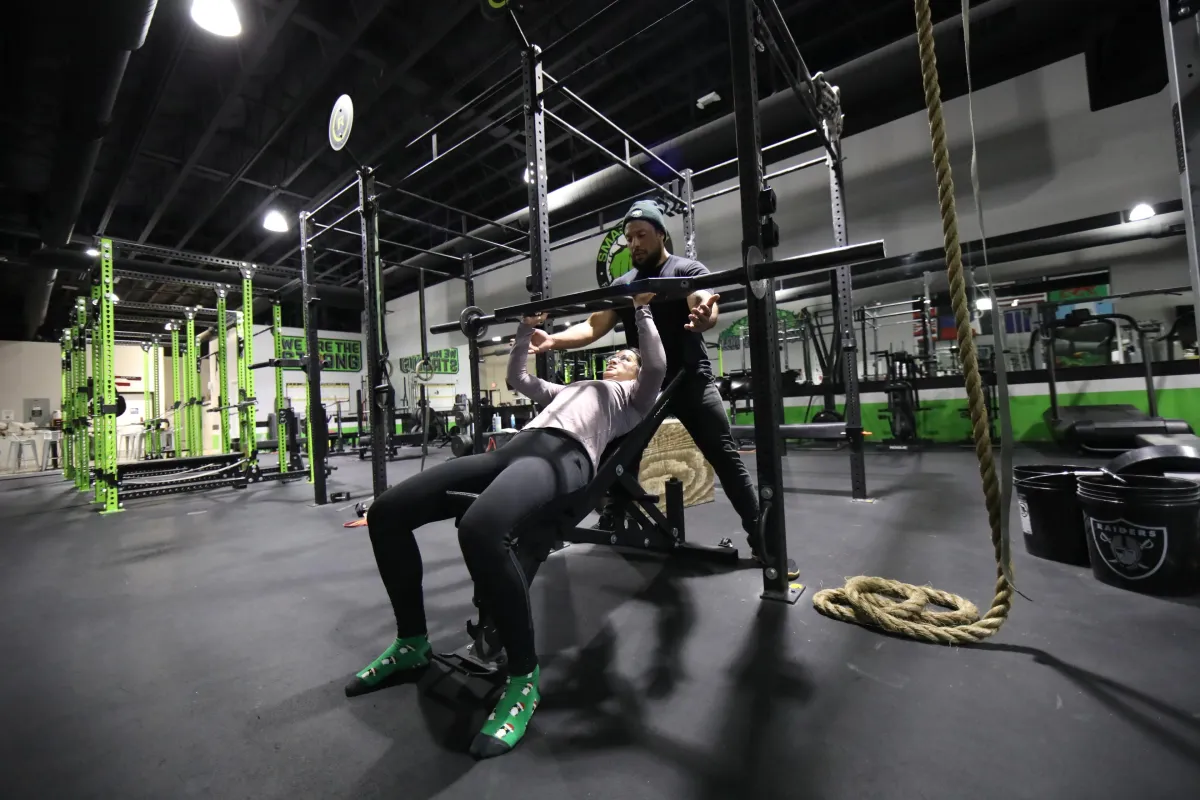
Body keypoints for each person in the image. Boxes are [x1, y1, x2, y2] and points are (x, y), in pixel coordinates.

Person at [347, 292, 665, 760]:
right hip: (514, 451)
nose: (617, 359)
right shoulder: (574, 389)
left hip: (567, 457)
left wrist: (641, 309)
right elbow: (519, 377)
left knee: (481, 529)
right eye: (614, 355)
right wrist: (524, 332)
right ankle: (412, 642)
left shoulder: (630, 401)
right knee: (388, 513)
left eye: (624, 358)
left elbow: (656, 367)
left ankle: (523, 679)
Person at [528, 199, 786, 571]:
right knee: (621, 454)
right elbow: (592, 326)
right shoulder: (623, 285)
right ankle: (614, 515)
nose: (634, 244)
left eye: (642, 236)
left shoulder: (685, 268)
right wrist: (552, 340)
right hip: (646, 386)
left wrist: (704, 316)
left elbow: (703, 300)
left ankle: (762, 538)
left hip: (691, 379)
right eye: (629, 238)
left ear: (661, 234)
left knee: (724, 455)